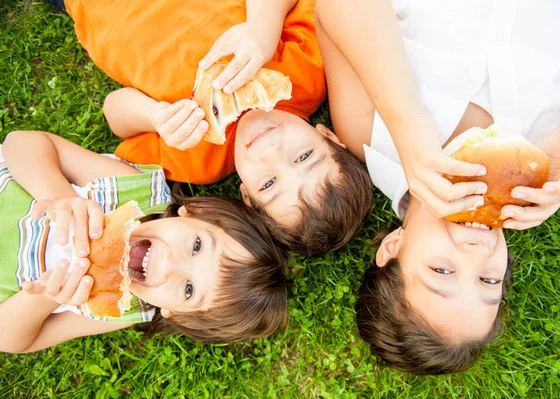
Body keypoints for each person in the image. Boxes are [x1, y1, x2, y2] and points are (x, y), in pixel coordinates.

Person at [315, 0, 560, 374]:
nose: (476, 250)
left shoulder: (370, 136)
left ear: (393, 247)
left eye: (442, 272)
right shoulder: (547, 175)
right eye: (488, 279)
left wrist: (406, 122)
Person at [56, 0, 372, 256]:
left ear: (247, 196)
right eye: (303, 157)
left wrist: (154, 117)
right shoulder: (305, 77)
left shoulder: (197, 160)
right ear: (327, 135)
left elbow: (115, 111)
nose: (271, 152)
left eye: (269, 183)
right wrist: (263, 26)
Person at [0, 130, 288, 354]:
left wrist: (46, 297)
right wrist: (59, 194)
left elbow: (12, 340)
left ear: (174, 314)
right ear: (194, 214)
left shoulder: (121, 309)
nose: (171, 264)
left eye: (188, 289)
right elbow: (21, 144)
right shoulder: (136, 193)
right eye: (197, 246)